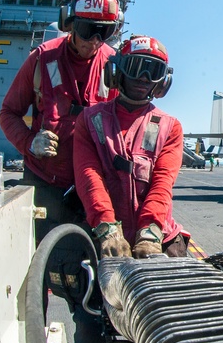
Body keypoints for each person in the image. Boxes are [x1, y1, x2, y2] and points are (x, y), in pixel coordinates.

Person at [0, 0, 121, 242]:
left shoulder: (113, 65)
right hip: (45, 182)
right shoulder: (42, 59)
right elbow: (9, 113)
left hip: (93, 186)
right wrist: (30, 143)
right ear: (70, 23)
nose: (95, 41)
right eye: (88, 31)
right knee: (42, 256)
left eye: (105, 32)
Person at [73, 35, 189, 259]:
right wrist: (107, 228)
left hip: (157, 237)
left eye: (153, 71)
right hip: (103, 234)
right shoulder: (89, 120)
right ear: (117, 72)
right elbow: (89, 176)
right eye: (136, 68)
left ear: (162, 81)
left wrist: (150, 230)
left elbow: (163, 182)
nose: (144, 78)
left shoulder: (170, 127)